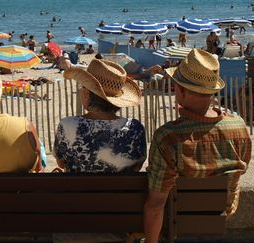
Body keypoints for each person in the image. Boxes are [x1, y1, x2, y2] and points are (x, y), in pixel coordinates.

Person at [144, 49, 252, 243]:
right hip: (221, 216)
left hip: (177, 221)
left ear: (181, 90)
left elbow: (155, 205)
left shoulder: (167, 137)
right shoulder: (239, 127)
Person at [54, 59, 146, 173]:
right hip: (121, 190)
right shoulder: (135, 128)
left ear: (87, 94)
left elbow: (61, 163)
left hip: (77, 190)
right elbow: (137, 165)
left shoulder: (67, 125)